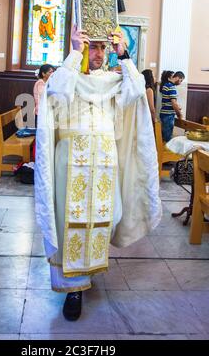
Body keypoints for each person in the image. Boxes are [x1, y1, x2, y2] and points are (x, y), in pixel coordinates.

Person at [35, 25, 161, 321]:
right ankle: (72, 289)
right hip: (71, 161)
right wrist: (74, 50)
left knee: (106, 217)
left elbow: (135, 91)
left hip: (105, 162)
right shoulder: (67, 76)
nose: (98, 53)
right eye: (93, 46)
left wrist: (124, 54)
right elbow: (56, 92)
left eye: (103, 48)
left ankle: (88, 269)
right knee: (71, 221)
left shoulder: (111, 80)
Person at [159, 71, 185, 142]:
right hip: (168, 115)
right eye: (181, 80)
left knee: (164, 136)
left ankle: (162, 151)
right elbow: (174, 103)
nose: (180, 83)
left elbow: (168, 101)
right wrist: (179, 115)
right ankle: (165, 152)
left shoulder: (166, 85)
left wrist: (177, 106)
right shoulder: (171, 87)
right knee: (168, 139)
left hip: (164, 113)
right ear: (177, 78)